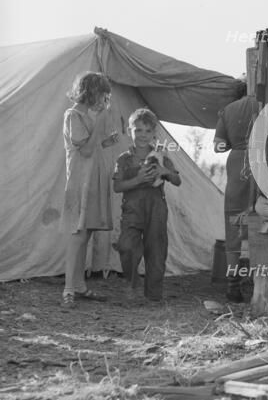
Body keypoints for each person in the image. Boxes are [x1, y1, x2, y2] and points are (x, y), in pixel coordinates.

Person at [61, 71, 119, 308]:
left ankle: (80, 286)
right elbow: (84, 151)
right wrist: (101, 122)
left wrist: (106, 141)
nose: (104, 100)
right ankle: (68, 290)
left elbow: (91, 148)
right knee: (77, 236)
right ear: (92, 92)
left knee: (85, 235)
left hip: (92, 180)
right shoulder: (73, 115)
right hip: (80, 183)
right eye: (103, 95)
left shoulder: (86, 117)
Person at [112, 108, 181, 302]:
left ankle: (153, 294)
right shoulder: (123, 160)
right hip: (132, 209)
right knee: (126, 245)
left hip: (156, 208)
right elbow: (117, 186)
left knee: (156, 249)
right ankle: (132, 284)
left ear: (154, 133)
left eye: (148, 131)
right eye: (138, 130)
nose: (143, 135)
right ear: (129, 131)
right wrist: (138, 179)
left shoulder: (161, 157)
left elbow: (177, 180)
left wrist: (163, 171)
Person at [214, 81, 259, 302]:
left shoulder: (228, 110)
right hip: (263, 163)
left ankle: (233, 285)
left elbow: (218, 146)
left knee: (234, 226)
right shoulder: (266, 103)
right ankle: (261, 283)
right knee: (262, 220)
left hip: (236, 166)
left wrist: (235, 141)